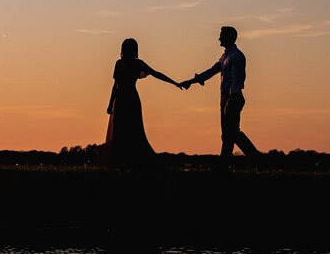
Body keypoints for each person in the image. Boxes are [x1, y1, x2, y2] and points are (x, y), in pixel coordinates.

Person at [180, 26, 262, 165]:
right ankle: (225, 165)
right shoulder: (225, 56)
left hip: (233, 97)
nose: (219, 38)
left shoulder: (237, 56)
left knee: (233, 133)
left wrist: (231, 99)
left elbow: (238, 80)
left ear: (229, 37)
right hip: (226, 97)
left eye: (221, 35)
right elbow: (211, 71)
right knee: (228, 134)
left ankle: (256, 159)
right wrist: (191, 81)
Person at [106, 38, 183, 168]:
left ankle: (135, 161)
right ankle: (119, 161)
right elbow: (115, 85)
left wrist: (174, 83)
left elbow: (156, 74)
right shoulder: (118, 63)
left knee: (133, 130)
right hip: (119, 100)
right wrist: (110, 103)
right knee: (119, 130)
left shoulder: (138, 64)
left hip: (131, 100)